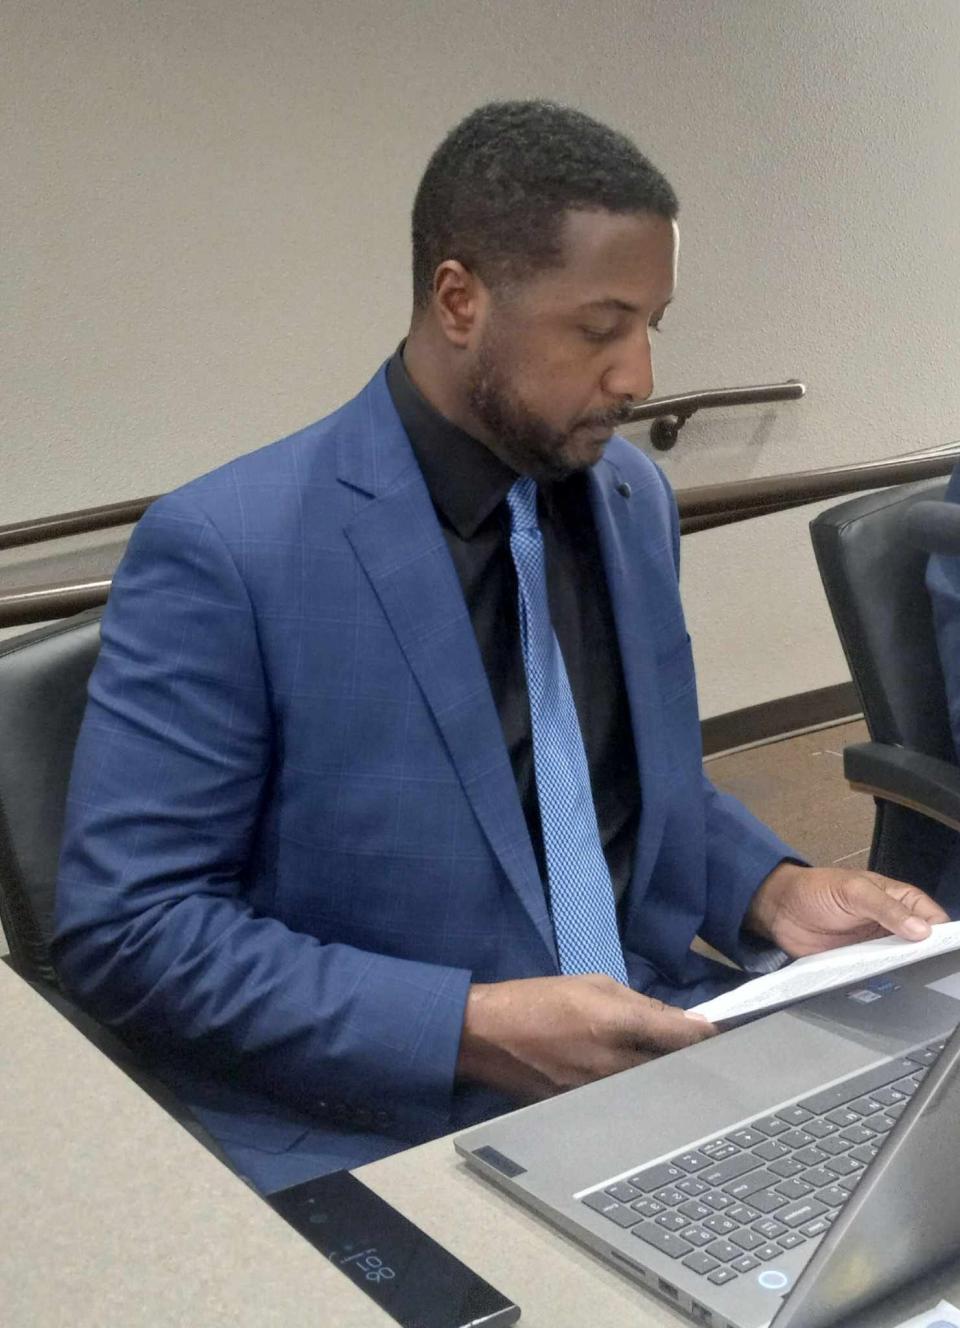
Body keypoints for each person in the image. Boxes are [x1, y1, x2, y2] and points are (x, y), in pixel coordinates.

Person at [54, 100, 947, 1195]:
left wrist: (771, 886)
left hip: (671, 1045)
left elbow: (626, 791)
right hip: (397, 1128)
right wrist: (467, 1026)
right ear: (461, 299)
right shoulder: (230, 551)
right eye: (601, 326)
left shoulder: (627, 496)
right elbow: (131, 929)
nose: (640, 376)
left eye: (653, 323)